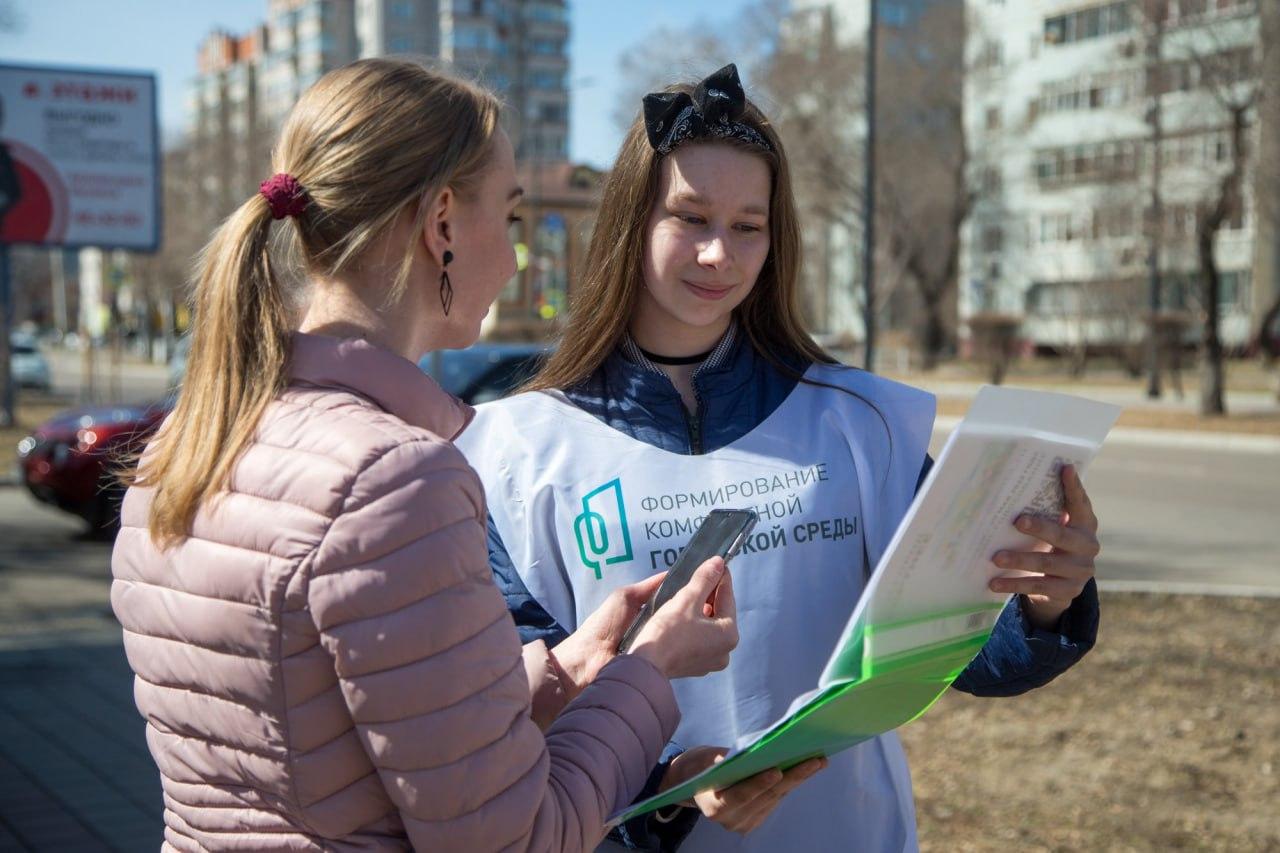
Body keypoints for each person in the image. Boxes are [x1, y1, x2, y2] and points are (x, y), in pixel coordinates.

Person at [456, 64, 1102, 852]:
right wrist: (671, 782)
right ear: (633, 220)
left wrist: (1044, 602)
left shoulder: (863, 420)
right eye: (689, 217)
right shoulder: (513, 450)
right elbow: (513, 715)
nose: (718, 253)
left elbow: (966, 653)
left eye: (748, 226)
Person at [110, 59, 739, 852]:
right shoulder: (393, 480)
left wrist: (567, 672)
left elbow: (323, 734)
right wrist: (650, 668)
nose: (514, 260)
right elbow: (513, 837)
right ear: (442, 222)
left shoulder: (182, 445)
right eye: (508, 219)